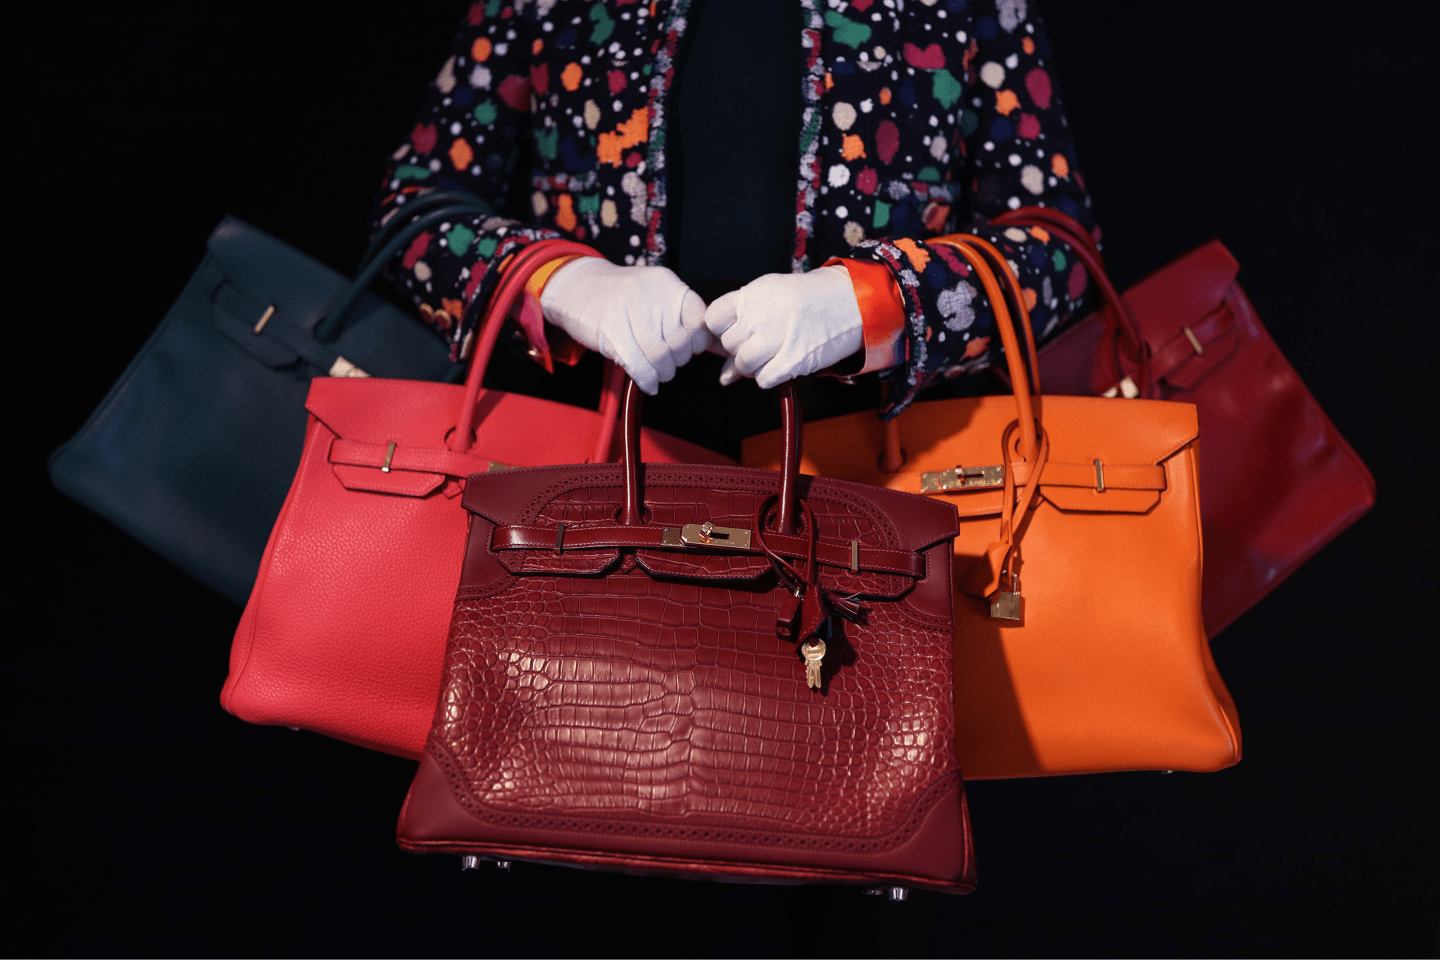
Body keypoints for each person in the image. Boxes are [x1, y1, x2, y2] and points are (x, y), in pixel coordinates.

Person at [371, 0, 1097, 427]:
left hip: (875, 499)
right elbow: (415, 208)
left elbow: (1060, 247)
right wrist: (562, 285)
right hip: (576, 481)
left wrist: (877, 301)